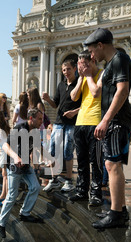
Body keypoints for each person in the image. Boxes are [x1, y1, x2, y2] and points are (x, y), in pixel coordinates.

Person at [84, 28, 131, 229]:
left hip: (117, 121)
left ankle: (115, 214)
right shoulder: (111, 64)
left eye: (92, 50)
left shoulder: (120, 59)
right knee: (113, 165)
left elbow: (122, 90)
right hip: (114, 120)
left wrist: (105, 120)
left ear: (100, 45)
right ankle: (119, 210)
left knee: (112, 165)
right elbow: (100, 92)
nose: (91, 55)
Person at [0, 108, 44, 238]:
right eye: (39, 119)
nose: (41, 121)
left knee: (35, 187)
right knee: (12, 195)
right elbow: (5, 146)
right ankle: (1, 223)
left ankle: (25, 213)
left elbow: (34, 148)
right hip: (14, 165)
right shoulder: (19, 128)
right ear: (31, 118)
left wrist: (38, 162)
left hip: (26, 164)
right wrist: (16, 157)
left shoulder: (35, 131)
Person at [65, 50, 104, 206]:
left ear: (92, 62)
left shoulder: (101, 73)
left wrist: (87, 76)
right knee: (81, 160)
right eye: (80, 65)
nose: (81, 68)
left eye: (85, 65)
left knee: (95, 161)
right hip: (80, 122)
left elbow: (96, 92)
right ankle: (81, 190)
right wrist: (81, 77)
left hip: (95, 121)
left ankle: (95, 193)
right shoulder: (82, 77)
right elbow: (73, 96)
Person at [42, 59, 82, 193]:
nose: (65, 72)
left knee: (67, 150)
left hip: (72, 123)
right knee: (52, 151)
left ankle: (69, 181)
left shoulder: (79, 84)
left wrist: (74, 112)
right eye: (64, 70)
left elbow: (86, 104)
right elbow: (55, 104)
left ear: (75, 69)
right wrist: (48, 100)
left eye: (68, 69)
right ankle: (54, 179)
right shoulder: (61, 85)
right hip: (59, 123)